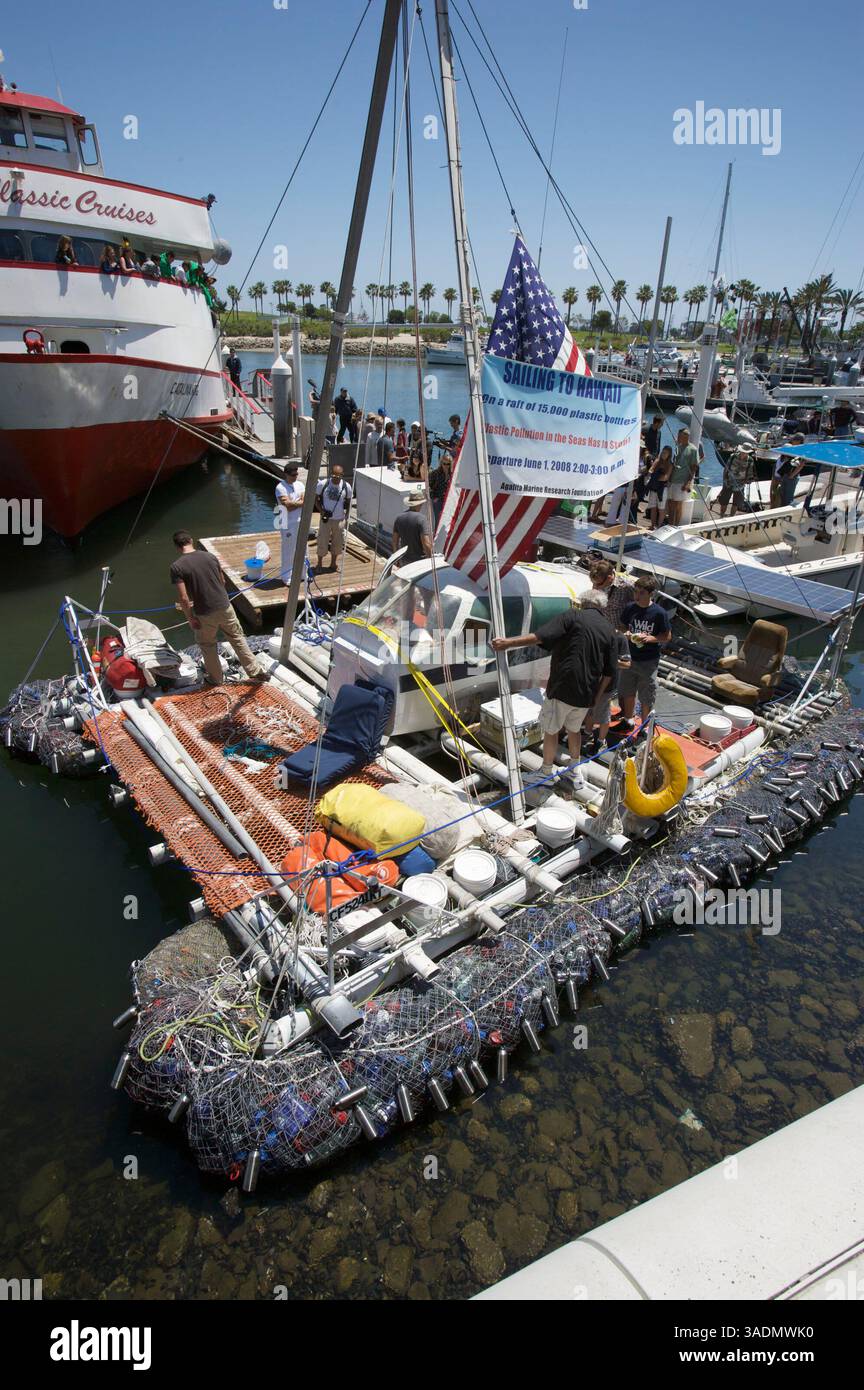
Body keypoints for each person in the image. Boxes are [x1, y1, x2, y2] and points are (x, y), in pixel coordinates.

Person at [491, 590, 616, 794]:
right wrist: (596, 696)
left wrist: (507, 644)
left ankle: (546, 772)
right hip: (587, 693)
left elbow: (541, 636)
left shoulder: (573, 616)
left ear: (583, 603)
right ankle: (574, 770)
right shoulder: (610, 630)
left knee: (551, 730)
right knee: (574, 730)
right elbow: (610, 672)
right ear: (601, 607)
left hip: (563, 686)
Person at [170, 530, 266, 686]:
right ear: (191, 540)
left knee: (208, 646)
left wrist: (190, 618)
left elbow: (183, 598)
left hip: (204, 612)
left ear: (177, 547)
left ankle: (216, 680)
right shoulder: (210, 556)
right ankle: (256, 672)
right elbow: (221, 581)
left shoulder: (177, 567)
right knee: (238, 639)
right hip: (225, 606)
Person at [618, 576, 671, 724]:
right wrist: (626, 633)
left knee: (646, 694)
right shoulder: (630, 608)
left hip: (648, 661)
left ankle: (644, 725)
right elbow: (622, 626)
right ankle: (628, 720)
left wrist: (651, 639)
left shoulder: (659, 613)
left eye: (641, 592)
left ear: (650, 594)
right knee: (627, 691)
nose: (637, 596)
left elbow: (666, 636)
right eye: (636, 591)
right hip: (630, 658)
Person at [315, 462, 352, 570]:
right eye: (334, 476)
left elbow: (349, 502)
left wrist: (346, 517)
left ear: (342, 475)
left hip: (339, 519)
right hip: (326, 519)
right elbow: (316, 499)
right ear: (331, 474)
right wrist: (321, 511)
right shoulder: (323, 484)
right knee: (322, 541)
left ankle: (333, 564)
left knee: (338, 542)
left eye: (339, 476)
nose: (336, 478)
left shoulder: (347, 486)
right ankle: (319, 563)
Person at [274, 463, 306, 584]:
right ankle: (286, 577)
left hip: (300, 521)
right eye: (293, 475)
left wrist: (295, 503)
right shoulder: (280, 487)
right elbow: (287, 506)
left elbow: (305, 500)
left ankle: (303, 574)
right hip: (287, 523)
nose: (295, 477)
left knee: (303, 548)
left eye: (296, 474)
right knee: (288, 550)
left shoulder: (300, 484)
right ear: (286, 474)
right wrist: (300, 502)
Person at [666, 427, 699, 525]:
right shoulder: (678, 447)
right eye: (678, 435)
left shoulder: (693, 449)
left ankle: (676, 524)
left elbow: (694, 467)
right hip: (673, 480)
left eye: (680, 436)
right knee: (670, 503)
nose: (678, 437)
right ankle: (670, 523)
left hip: (682, 481)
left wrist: (688, 482)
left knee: (678, 504)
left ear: (686, 437)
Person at [393, 489, 433, 563]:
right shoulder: (421, 519)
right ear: (419, 504)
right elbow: (426, 543)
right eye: (421, 504)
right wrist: (431, 560)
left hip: (404, 559)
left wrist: (396, 560)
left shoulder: (399, 518)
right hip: (419, 561)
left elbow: (395, 542)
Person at [717, 444, 756, 516]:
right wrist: (724, 480)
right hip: (728, 483)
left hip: (740, 485)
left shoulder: (750, 460)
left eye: (745, 452)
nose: (743, 453)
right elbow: (726, 469)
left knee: (736, 503)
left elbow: (750, 474)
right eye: (742, 451)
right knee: (724, 501)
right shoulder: (733, 456)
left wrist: (747, 481)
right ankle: (721, 515)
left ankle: (732, 517)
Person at [771, 434, 806, 508]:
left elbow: (801, 465)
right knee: (782, 495)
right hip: (785, 475)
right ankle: (781, 510)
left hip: (791, 477)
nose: (792, 441)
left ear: (799, 441)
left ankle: (786, 512)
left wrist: (792, 475)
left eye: (794, 440)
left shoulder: (801, 450)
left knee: (788, 497)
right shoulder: (794, 448)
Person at [642, 445, 673, 527]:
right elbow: (651, 470)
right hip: (654, 487)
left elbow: (665, 478)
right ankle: (652, 525)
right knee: (653, 507)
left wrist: (655, 476)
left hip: (662, 489)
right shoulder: (657, 461)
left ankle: (659, 526)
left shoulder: (670, 465)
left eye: (665, 453)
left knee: (661, 509)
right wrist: (653, 473)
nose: (663, 454)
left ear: (669, 454)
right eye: (663, 452)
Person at [429, 450, 453, 525]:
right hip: (438, 500)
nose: (446, 466)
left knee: (446, 521)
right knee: (438, 521)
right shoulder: (435, 473)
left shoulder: (452, 474)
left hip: (447, 501)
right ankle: (436, 536)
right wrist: (434, 498)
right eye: (444, 463)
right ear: (441, 463)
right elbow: (429, 487)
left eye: (448, 464)